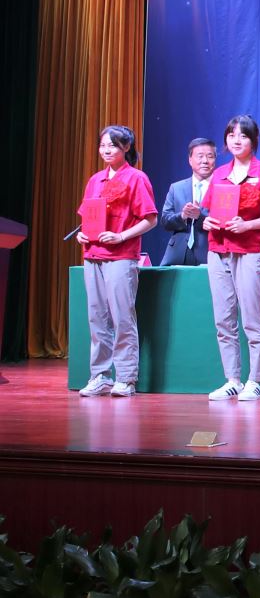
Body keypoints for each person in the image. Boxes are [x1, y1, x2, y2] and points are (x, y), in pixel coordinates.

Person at [202, 114, 260, 402]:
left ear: (254, 140)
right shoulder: (219, 174)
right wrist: (207, 222)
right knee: (223, 319)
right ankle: (232, 379)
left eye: (243, 135)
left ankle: (255, 380)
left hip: (249, 250)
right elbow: (210, 212)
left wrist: (247, 225)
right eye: (232, 135)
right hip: (218, 250)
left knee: (252, 318)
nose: (236, 140)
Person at [76, 125, 158, 397]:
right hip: (93, 255)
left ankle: (126, 377)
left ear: (126, 147)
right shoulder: (95, 180)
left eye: (112, 145)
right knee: (97, 317)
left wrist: (121, 236)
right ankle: (100, 375)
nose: (106, 149)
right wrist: (82, 234)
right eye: (103, 145)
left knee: (122, 316)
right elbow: (88, 217)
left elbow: (150, 219)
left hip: (121, 256)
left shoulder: (136, 178)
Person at [157, 137, 216, 266]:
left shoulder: (221, 188)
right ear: (190, 160)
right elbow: (165, 221)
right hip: (177, 254)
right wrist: (183, 216)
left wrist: (200, 216)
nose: (205, 161)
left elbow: (224, 222)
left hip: (210, 252)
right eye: (200, 156)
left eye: (210, 156)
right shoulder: (176, 188)